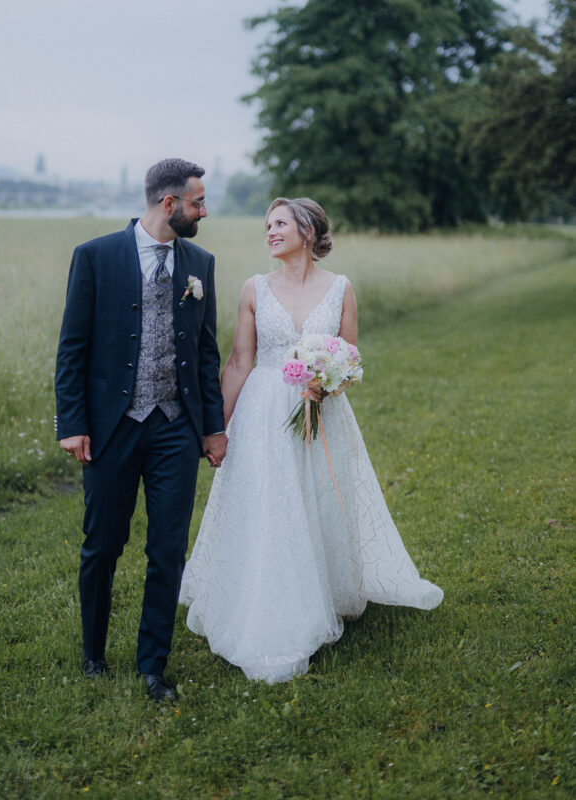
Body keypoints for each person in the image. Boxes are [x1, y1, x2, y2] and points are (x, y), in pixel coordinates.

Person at [180, 197, 443, 683]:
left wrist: (330, 380)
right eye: (267, 225)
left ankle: (323, 588)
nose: (271, 232)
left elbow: (351, 358)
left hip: (323, 410)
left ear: (306, 229)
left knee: (319, 497)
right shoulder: (253, 289)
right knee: (270, 504)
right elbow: (239, 362)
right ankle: (267, 599)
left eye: (280, 223)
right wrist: (216, 428)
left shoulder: (341, 289)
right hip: (262, 411)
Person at [55, 158, 227, 702]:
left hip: (177, 426)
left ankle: (152, 664)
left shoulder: (200, 261)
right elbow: (72, 348)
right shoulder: (96, 257)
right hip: (111, 427)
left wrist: (213, 426)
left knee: (168, 548)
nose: (204, 211)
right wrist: (73, 423)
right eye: (198, 202)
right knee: (102, 544)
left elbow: (205, 353)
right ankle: (92, 654)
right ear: (169, 204)